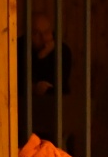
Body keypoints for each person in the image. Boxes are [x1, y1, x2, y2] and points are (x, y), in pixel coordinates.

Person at [17, 12, 74, 146]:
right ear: (28, 34)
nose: (43, 38)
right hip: (24, 114)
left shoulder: (62, 50)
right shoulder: (18, 48)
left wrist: (43, 55)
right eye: (37, 33)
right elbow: (18, 81)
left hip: (54, 113)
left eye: (47, 32)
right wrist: (33, 88)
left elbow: (58, 84)